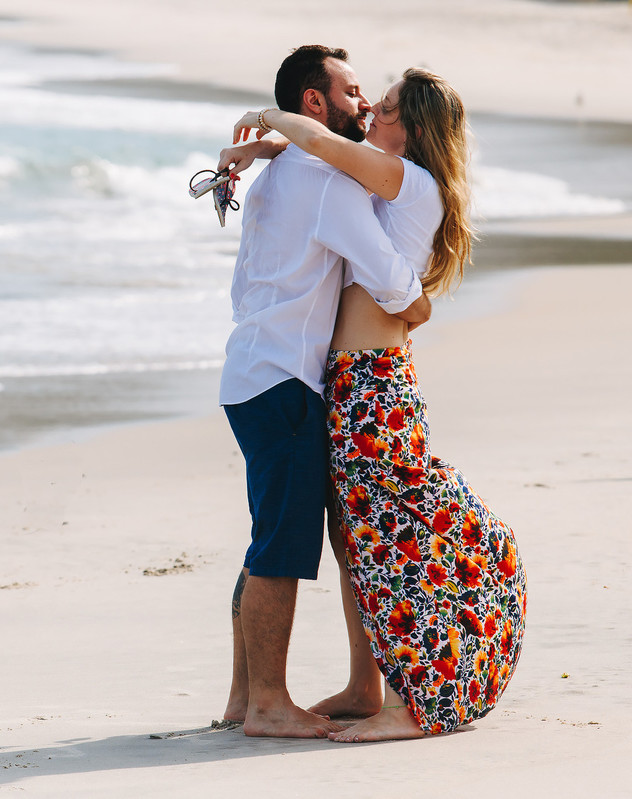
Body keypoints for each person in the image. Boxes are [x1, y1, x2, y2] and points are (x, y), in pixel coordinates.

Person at [221, 68, 527, 742]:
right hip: (354, 380)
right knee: (356, 534)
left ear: (412, 130)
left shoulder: (406, 181)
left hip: (372, 380)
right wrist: (263, 150)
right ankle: (368, 684)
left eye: (384, 108)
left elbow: (327, 147)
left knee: (388, 536)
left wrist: (264, 119)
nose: (370, 113)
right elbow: (323, 157)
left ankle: (406, 703)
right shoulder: (386, 177)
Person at [214, 45, 432, 739]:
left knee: (266, 537)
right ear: (316, 102)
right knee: (281, 545)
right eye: (354, 90)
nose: (365, 102)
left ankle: (245, 697)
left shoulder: (287, 175)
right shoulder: (328, 184)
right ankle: (270, 704)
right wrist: (416, 302)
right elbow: (388, 275)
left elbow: (308, 160)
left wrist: (265, 145)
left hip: (250, 371)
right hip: (286, 380)